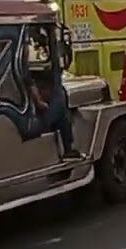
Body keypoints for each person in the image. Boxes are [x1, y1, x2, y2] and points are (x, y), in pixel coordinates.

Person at [24, 27, 83, 161]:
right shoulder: (20, 63)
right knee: (61, 109)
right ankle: (68, 148)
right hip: (27, 115)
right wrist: (39, 102)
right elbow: (29, 83)